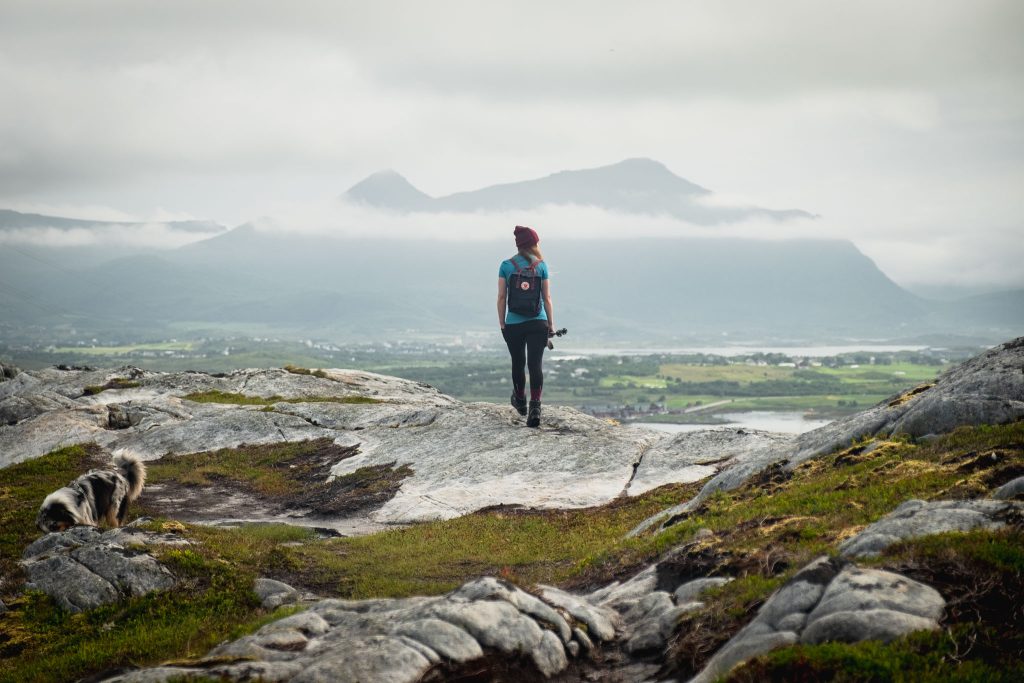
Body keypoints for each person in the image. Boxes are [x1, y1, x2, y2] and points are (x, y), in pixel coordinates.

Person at [497, 225, 554, 428]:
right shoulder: (541, 266)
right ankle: (535, 407)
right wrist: (551, 325)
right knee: (535, 364)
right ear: (533, 244)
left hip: (513, 323)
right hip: (538, 322)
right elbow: (546, 298)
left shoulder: (506, 265)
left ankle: (520, 400)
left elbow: (502, 297)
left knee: (518, 362)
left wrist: (502, 323)